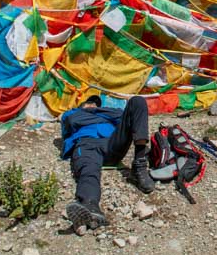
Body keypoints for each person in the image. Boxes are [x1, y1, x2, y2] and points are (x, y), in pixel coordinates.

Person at [61, 94, 155, 230]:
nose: (93, 105)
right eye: (89, 103)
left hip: (112, 143)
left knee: (138, 101)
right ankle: (90, 204)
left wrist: (94, 111)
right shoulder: (72, 113)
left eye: (96, 104)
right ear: (81, 105)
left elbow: (122, 116)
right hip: (87, 143)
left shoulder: (105, 112)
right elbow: (72, 121)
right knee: (88, 170)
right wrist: (99, 114)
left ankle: (139, 165)